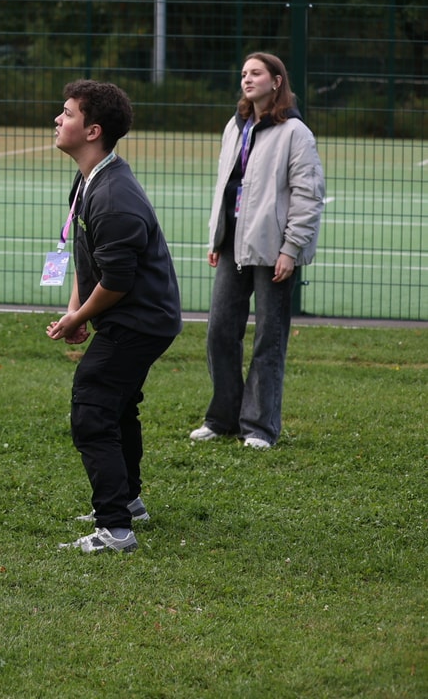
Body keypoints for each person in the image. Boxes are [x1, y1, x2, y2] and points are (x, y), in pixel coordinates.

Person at [46, 80, 182, 554]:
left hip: (141, 321)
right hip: (132, 315)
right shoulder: (89, 180)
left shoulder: (113, 197)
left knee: (93, 407)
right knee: (118, 405)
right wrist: (76, 311)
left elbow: (119, 281)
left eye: (67, 113)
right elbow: (88, 258)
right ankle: (129, 502)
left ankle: (116, 529)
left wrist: (78, 317)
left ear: (93, 131)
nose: (58, 119)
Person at [191, 52, 325, 450]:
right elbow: (226, 186)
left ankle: (259, 427)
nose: (247, 79)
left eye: (256, 73)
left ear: (276, 81)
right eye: (244, 73)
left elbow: (308, 196)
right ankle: (222, 419)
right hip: (233, 245)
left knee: (269, 339)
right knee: (220, 332)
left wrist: (290, 249)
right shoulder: (236, 126)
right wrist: (217, 239)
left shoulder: (295, 133)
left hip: (273, 250)